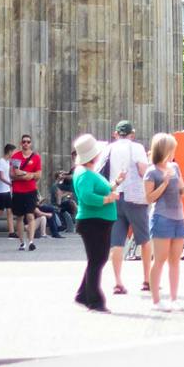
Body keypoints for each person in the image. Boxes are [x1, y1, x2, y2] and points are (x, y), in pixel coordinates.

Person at [70, 133, 122, 313]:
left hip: (97, 220)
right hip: (93, 221)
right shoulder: (84, 173)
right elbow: (86, 197)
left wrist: (115, 183)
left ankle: (84, 294)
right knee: (97, 260)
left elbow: (101, 188)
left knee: (97, 259)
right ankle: (94, 300)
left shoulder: (86, 171)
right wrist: (108, 199)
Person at [101, 120, 152, 295]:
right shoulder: (136, 147)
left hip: (114, 196)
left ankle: (118, 282)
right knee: (144, 239)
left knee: (116, 242)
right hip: (134, 197)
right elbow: (142, 170)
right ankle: (147, 279)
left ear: (116, 133)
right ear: (132, 133)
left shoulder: (108, 149)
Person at [144, 132, 184, 313]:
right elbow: (149, 198)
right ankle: (156, 300)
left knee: (175, 261)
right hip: (161, 217)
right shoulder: (151, 171)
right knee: (160, 260)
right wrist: (163, 183)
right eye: (171, 149)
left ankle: (174, 298)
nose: (173, 153)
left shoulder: (175, 167)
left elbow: (182, 192)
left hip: (179, 217)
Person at [10, 135, 43, 252]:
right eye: (24, 142)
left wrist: (25, 174)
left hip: (30, 190)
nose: (26, 144)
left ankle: (31, 241)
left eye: (28, 142)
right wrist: (27, 175)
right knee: (19, 217)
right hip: (18, 191)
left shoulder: (36, 157)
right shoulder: (16, 156)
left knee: (30, 215)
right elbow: (12, 174)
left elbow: (38, 175)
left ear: (31, 143)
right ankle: (22, 242)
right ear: (21, 143)